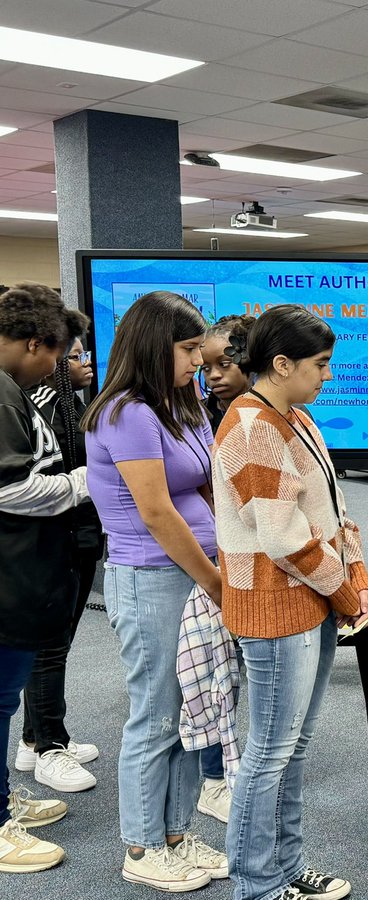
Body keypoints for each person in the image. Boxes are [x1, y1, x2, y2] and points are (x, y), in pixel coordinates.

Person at [212, 305, 368, 900]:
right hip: (276, 609)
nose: (328, 375)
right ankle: (257, 883)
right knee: (269, 754)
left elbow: (330, 511)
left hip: (311, 602)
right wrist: (346, 592)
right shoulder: (252, 426)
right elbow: (284, 539)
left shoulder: (297, 417)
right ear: (281, 365)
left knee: (292, 749)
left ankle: (283, 867)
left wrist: (355, 578)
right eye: (321, 365)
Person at [81, 291, 228, 892]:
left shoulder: (181, 402)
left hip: (196, 573)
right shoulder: (126, 411)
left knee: (193, 711)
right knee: (158, 715)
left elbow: (212, 479)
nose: (202, 362)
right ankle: (141, 848)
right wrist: (217, 583)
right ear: (153, 346)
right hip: (152, 578)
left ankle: (175, 831)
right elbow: (157, 513)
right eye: (190, 350)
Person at [0, 282, 90, 872]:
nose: (60, 366)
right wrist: (90, 483)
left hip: (21, 571)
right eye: (56, 354)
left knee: (4, 701)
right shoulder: (2, 397)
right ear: (35, 343)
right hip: (8, 577)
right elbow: (11, 489)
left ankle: (0, 802)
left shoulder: (14, 391)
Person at [15, 336, 103, 792]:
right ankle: (51, 745)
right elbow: (45, 482)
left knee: (57, 644)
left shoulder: (71, 402)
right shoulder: (41, 404)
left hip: (79, 535)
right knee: (48, 647)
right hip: (56, 539)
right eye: (74, 356)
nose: (84, 363)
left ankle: (34, 740)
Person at [195, 313, 254, 824]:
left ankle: (237, 758)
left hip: (251, 555)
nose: (212, 374)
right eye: (206, 365)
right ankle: (214, 773)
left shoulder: (256, 413)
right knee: (216, 669)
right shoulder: (199, 414)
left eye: (225, 364)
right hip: (212, 553)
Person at [200, 314, 255, 431]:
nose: (214, 375)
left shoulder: (285, 411)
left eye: (224, 364)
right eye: (206, 368)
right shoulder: (197, 416)